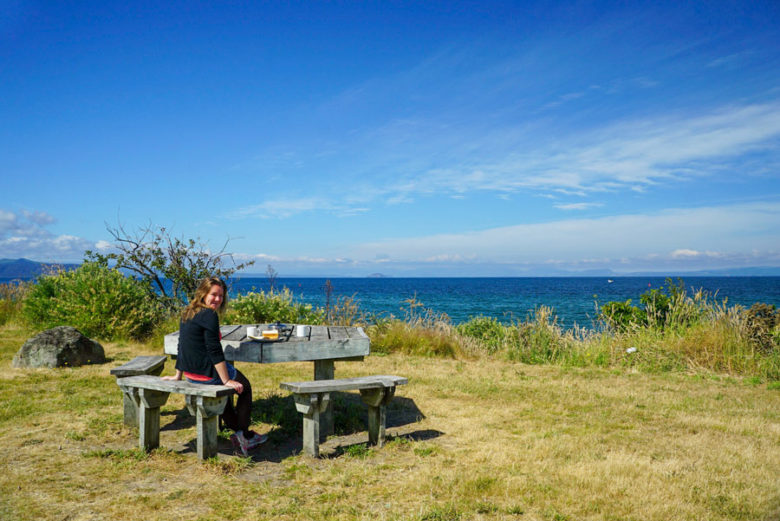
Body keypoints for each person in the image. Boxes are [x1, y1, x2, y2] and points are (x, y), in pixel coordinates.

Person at [162, 276, 266, 455]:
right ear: (203, 293)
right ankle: (245, 436)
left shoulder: (188, 312)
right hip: (207, 374)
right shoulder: (209, 314)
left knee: (225, 398)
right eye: (214, 295)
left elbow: (182, 345)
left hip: (191, 374)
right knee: (245, 387)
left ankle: (239, 433)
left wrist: (178, 375)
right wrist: (226, 380)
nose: (218, 299)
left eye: (221, 296)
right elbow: (214, 349)